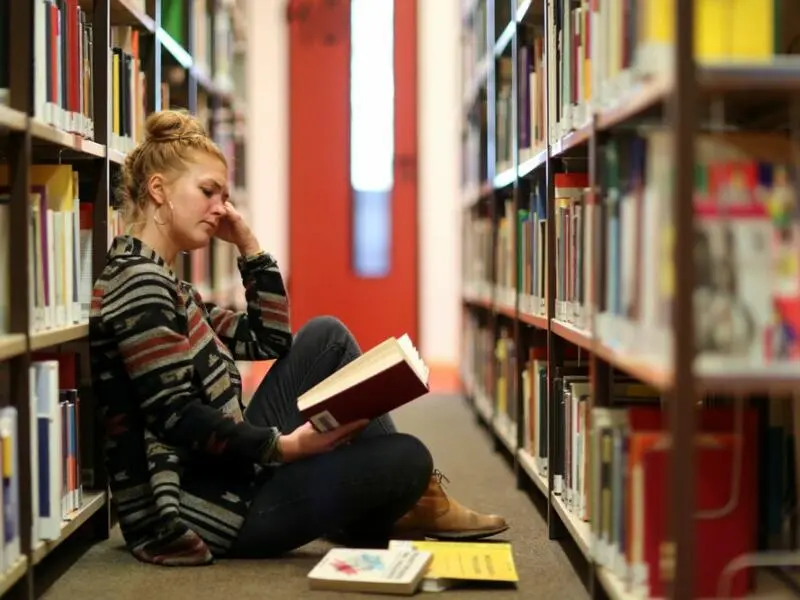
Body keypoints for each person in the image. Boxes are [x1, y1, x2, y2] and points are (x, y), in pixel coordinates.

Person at [88, 109, 508, 567]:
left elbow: (270, 341)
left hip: (224, 473)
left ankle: (404, 504)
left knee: (326, 336)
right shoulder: (140, 286)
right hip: (205, 508)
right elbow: (176, 416)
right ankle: (401, 505)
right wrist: (284, 447)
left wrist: (249, 247)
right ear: (158, 190)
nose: (221, 209)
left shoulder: (169, 285)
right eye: (208, 192)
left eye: (225, 197)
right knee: (408, 458)